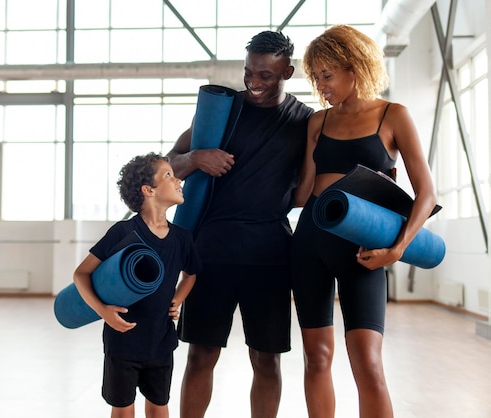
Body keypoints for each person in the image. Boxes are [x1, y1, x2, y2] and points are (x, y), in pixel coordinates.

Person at [291, 25, 437, 418]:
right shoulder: (317, 122)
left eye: (328, 75)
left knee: (368, 364)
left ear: (354, 68)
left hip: (364, 248)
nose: (321, 85)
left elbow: (427, 194)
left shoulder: (394, 115)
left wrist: (397, 249)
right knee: (316, 357)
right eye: (316, 76)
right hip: (310, 243)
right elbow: (303, 193)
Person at [167, 31, 314, 418]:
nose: (254, 82)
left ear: (288, 71)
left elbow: (316, 182)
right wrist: (198, 157)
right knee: (201, 354)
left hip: (269, 254)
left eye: (266, 74)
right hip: (212, 250)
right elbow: (169, 164)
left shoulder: (305, 121)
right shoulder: (223, 110)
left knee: (267, 359)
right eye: (249, 71)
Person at [73, 152, 202, 418]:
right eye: (168, 175)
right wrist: (103, 311)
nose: (179, 180)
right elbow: (81, 274)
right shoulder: (123, 232)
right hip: (123, 341)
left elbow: (191, 274)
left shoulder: (182, 238)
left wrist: (176, 300)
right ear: (148, 190)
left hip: (161, 340)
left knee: (158, 405)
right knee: (122, 408)